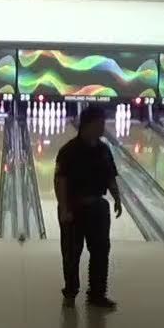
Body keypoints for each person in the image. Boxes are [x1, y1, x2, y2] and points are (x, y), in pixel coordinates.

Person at [55, 105, 122, 310]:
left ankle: (97, 295)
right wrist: (64, 208)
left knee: (101, 253)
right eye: (100, 123)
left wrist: (117, 198)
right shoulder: (68, 151)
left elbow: (110, 177)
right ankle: (70, 293)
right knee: (71, 255)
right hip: (73, 210)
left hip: (98, 209)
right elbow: (60, 180)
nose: (103, 127)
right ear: (88, 125)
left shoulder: (104, 149)